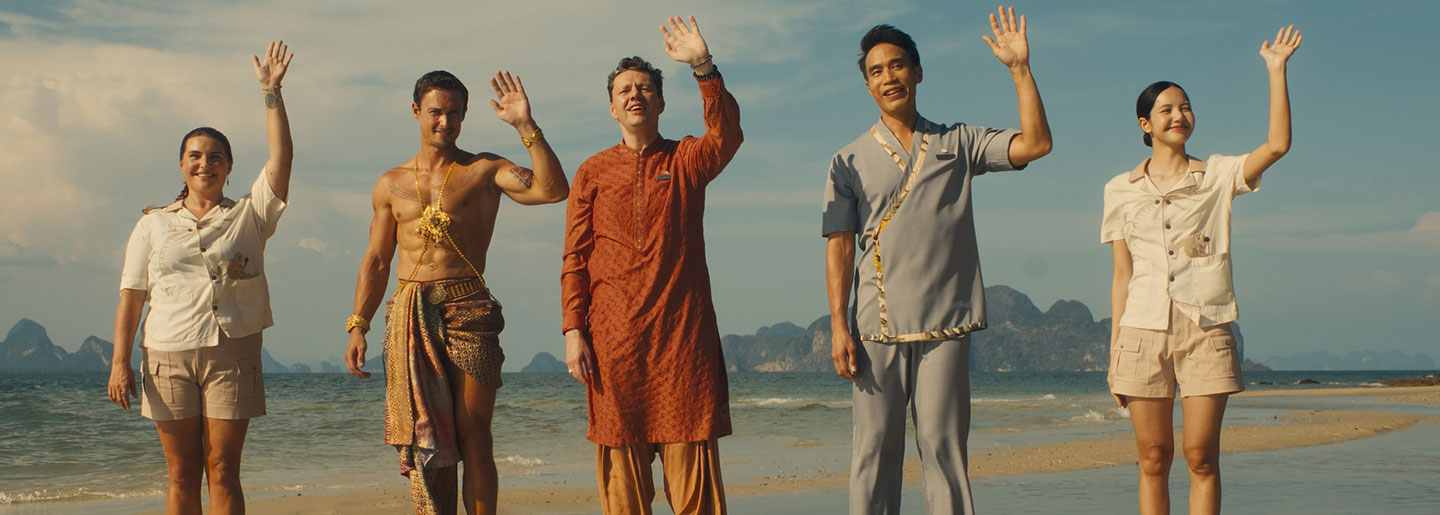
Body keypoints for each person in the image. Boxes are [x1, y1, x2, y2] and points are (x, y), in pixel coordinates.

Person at [822, 8, 1053, 514]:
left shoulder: (960, 142)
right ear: (867, 86)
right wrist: (839, 327)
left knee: (945, 453)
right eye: (877, 71)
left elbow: (1036, 144)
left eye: (898, 65)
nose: (889, 77)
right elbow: (838, 245)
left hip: (947, 324)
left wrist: (1019, 70)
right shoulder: (848, 160)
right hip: (876, 327)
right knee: (874, 455)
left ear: (919, 72)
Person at [343, 67, 569, 514]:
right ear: (416, 112)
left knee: (474, 435)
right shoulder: (390, 184)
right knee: (430, 437)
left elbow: (553, 189)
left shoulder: (483, 169)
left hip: (469, 310)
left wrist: (526, 126)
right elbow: (377, 259)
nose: (445, 122)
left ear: (465, 117)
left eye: (455, 114)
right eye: (436, 113)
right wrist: (358, 324)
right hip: (410, 313)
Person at [1101, 26, 1302, 515]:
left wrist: (1276, 70)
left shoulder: (1216, 175)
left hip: (1206, 328)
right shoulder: (1118, 189)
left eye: (1185, 106)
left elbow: (1276, 145)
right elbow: (1122, 274)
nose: (1179, 115)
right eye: (1167, 109)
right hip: (1140, 333)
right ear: (1144, 123)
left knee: (1200, 458)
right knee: (1152, 458)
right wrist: (1114, 355)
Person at [560, 15, 742, 515]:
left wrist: (703, 67)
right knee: (624, 498)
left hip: (683, 345)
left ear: (661, 102)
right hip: (614, 348)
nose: (635, 94)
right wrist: (573, 329)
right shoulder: (592, 171)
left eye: (645, 87)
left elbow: (725, 136)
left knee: (696, 499)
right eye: (624, 89)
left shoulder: (685, 159)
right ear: (611, 106)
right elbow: (574, 257)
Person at [106, 40, 295, 515]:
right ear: (181, 165)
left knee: (224, 470)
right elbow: (132, 295)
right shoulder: (153, 223)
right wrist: (118, 361)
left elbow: (282, 160)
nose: (204, 163)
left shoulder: (251, 216)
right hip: (166, 353)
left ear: (229, 168)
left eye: (215, 157)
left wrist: (272, 94)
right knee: (182, 474)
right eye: (194, 155)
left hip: (232, 352)